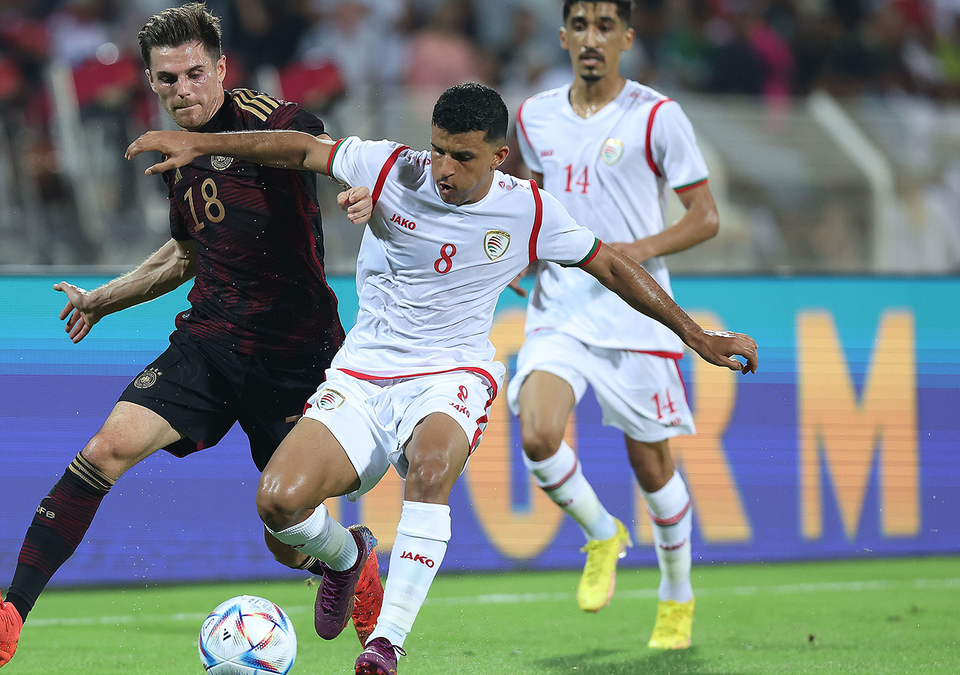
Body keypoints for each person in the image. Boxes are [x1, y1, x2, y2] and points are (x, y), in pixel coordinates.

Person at [125, 81, 758, 674]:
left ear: (499, 157)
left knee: (429, 474)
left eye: (461, 157)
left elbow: (613, 267)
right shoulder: (391, 167)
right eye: (437, 150)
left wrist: (696, 335)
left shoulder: (529, 209)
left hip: (452, 371)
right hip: (365, 370)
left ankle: (385, 644)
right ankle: (349, 559)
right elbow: (297, 148)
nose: (444, 169)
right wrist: (200, 143)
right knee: (278, 504)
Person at [0, 3, 383, 666]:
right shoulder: (174, 155)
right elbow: (184, 253)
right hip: (210, 339)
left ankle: (350, 554)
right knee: (106, 447)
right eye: (168, 79)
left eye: (195, 73)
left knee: (285, 535)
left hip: (296, 355)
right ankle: (9, 613)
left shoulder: (273, 120)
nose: (184, 90)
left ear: (223, 69)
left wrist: (367, 195)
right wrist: (103, 299)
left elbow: (320, 153)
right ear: (151, 82)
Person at [510, 0, 722, 651]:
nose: (592, 39)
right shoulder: (533, 115)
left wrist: (629, 251)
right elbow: (532, 198)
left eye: (605, 27)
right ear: (564, 35)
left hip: (635, 309)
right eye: (580, 26)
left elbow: (705, 215)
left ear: (627, 38)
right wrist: (516, 253)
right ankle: (602, 531)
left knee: (652, 466)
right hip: (562, 304)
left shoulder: (658, 116)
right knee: (539, 431)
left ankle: (676, 596)